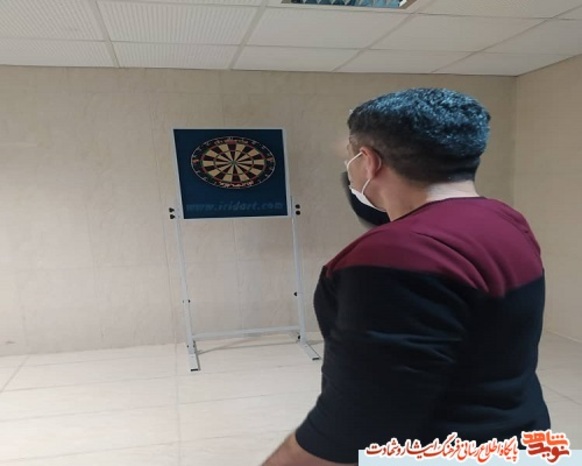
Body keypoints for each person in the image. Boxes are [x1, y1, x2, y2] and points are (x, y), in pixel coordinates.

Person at [262, 88, 550, 465]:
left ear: (369, 161)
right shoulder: (506, 220)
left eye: (351, 156)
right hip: (522, 441)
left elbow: (359, 422)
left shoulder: (392, 256)